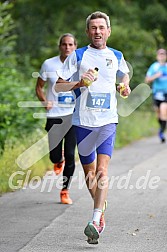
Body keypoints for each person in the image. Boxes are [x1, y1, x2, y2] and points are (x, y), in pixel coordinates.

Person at [55, 11, 131, 244]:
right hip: (83, 122)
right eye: (93, 28)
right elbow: (58, 87)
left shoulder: (116, 55)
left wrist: (124, 87)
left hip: (108, 120)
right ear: (87, 32)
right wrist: (79, 83)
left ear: (108, 31)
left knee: (102, 171)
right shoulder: (77, 56)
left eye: (102, 27)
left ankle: (95, 218)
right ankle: (101, 214)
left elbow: (125, 76)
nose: (98, 31)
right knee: (90, 176)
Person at [36, 33, 77, 204]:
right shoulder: (49, 64)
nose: (67, 48)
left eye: (70, 45)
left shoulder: (80, 64)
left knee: (70, 154)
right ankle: (57, 159)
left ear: (75, 47)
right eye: (64, 44)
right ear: (60, 46)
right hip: (54, 115)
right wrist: (45, 102)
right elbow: (39, 87)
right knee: (54, 156)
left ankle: (65, 191)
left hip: (73, 116)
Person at [145, 48, 167, 143]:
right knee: (158, 114)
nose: (162, 55)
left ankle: (161, 132)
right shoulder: (154, 67)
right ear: (157, 56)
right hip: (156, 93)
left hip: (166, 93)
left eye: (163, 54)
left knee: (163, 111)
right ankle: (161, 128)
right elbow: (147, 80)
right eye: (160, 54)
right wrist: (156, 76)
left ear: (165, 56)